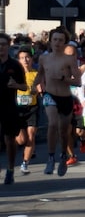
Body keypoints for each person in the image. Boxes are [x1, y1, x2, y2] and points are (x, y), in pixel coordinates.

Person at [33, 27, 81, 176]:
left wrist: (63, 78)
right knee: (52, 124)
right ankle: (50, 157)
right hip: (49, 95)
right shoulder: (44, 58)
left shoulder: (69, 60)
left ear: (65, 42)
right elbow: (40, 74)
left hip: (65, 98)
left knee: (63, 131)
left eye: (61, 40)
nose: (57, 43)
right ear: (50, 41)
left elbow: (78, 81)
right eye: (55, 40)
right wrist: (34, 86)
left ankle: (63, 156)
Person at [0, 33, 28, 184]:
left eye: (3, 44)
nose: (1, 47)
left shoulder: (15, 65)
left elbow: (24, 86)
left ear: (8, 46)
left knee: (9, 139)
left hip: (8, 105)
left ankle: (10, 169)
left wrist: (15, 85)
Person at [15, 47, 40, 176]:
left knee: (31, 135)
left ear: (31, 59)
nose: (25, 60)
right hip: (18, 109)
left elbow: (41, 88)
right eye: (22, 58)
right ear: (18, 60)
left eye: (27, 57)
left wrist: (38, 90)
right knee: (21, 140)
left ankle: (25, 163)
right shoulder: (14, 74)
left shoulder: (36, 74)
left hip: (32, 108)